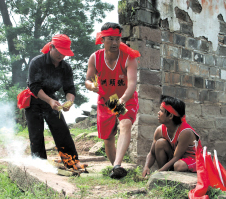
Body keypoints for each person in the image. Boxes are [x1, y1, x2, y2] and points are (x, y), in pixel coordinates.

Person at [85, 22, 140, 179]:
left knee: (125, 123)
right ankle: (116, 169)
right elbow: (88, 80)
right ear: (102, 39)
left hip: (124, 98)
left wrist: (122, 100)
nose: (115, 43)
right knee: (108, 138)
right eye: (110, 39)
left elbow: (132, 85)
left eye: (117, 39)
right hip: (107, 100)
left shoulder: (129, 57)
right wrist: (91, 86)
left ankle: (117, 164)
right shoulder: (95, 58)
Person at [25, 34, 85, 169]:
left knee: (62, 131)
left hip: (52, 102)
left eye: (65, 53)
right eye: (59, 52)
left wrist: (69, 101)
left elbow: (69, 88)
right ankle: (40, 166)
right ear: (51, 47)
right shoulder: (37, 62)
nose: (62, 56)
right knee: (36, 135)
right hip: (33, 100)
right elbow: (34, 87)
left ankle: (71, 163)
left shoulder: (66, 68)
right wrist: (49, 100)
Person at [142, 95, 202, 177]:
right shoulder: (159, 130)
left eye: (161, 111)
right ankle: (165, 175)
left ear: (170, 116)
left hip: (193, 160)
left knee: (178, 165)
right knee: (160, 143)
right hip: (176, 159)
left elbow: (176, 157)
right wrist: (146, 167)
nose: (158, 113)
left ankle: (164, 174)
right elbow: (152, 153)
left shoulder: (185, 132)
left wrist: (159, 172)